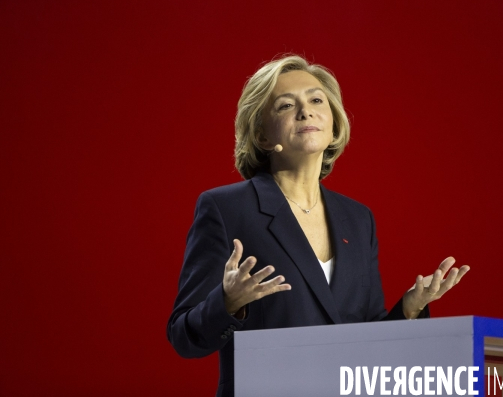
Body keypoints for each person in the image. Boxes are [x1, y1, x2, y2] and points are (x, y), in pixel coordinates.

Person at [166, 55, 470, 396]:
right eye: (285, 105)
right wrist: (227, 301)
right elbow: (183, 336)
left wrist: (410, 309)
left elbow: (367, 341)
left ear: (333, 123)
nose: (305, 111)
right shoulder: (226, 208)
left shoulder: (358, 219)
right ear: (263, 136)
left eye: (315, 100)